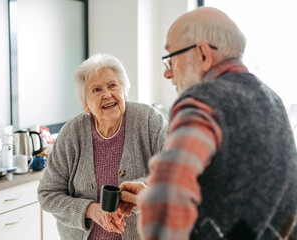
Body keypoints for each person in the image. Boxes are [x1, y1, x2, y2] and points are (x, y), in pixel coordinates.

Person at [118, 7, 297, 240]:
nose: (168, 74)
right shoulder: (272, 100)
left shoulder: (201, 103)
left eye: (171, 58)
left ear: (203, 54)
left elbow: (166, 206)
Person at [37, 53, 168, 240]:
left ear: (124, 91)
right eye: (96, 90)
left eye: (112, 85)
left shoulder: (149, 121)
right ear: (86, 105)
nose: (107, 94)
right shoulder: (71, 134)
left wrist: (143, 190)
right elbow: (48, 194)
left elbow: (173, 173)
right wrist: (90, 210)